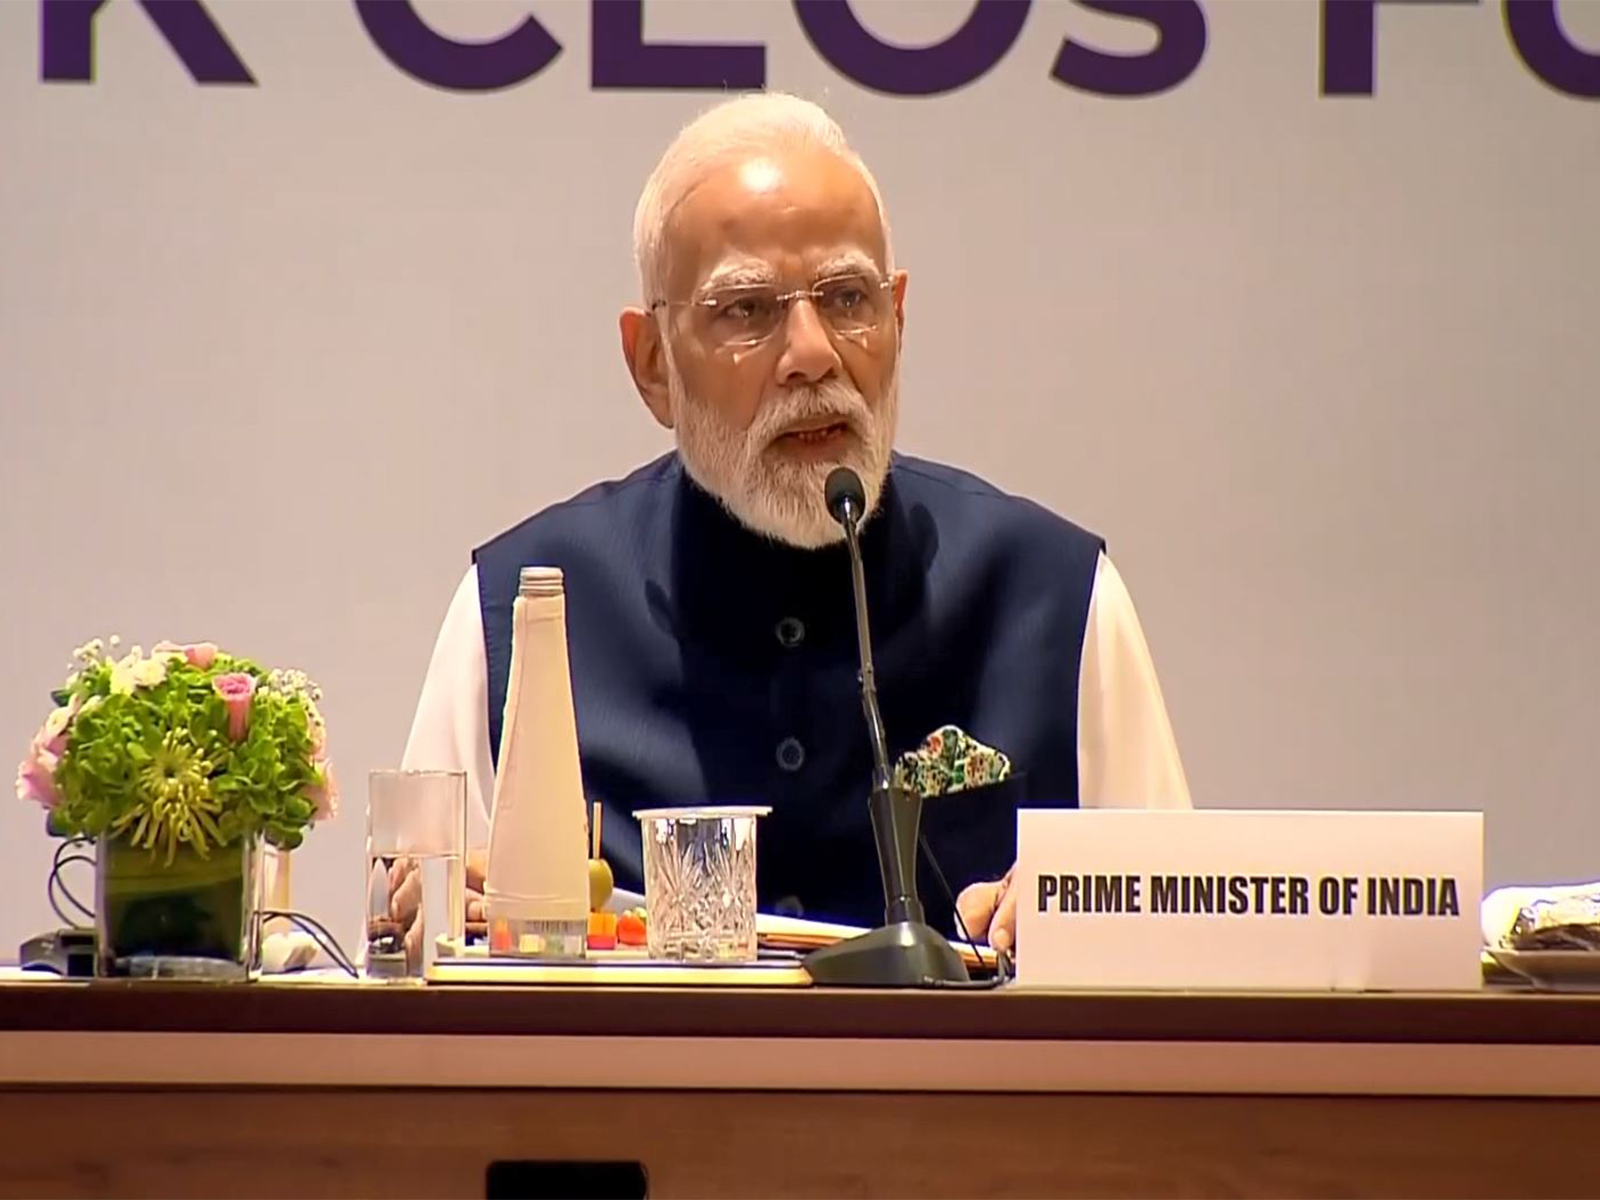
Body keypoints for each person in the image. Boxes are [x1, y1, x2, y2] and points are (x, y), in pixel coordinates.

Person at [402, 93, 1190, 954]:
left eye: (848, 297)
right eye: (746, 310)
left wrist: (1093, 917)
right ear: (652, 365)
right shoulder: (522, 609)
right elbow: (413, 944)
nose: (814, 353)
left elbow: (1186, 952)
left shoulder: (1056, 596)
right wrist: (448, 916)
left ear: (898, 318)